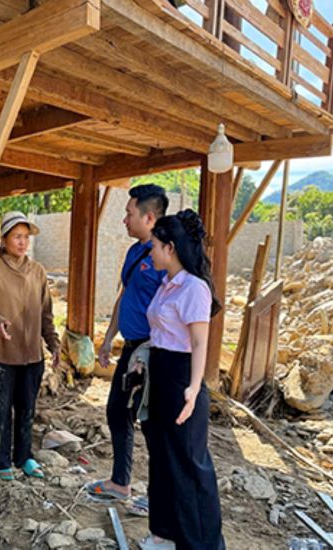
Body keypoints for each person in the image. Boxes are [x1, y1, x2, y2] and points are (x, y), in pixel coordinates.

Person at [138, 210, 224, 550]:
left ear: (170, 248)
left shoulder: (193, 287)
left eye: (156, 246)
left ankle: (201, 544)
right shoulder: (166, 284)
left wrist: (193, 387)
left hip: (181, 378)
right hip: (159, 372)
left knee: (190, 464)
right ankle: (166, 533)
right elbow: (162, 332)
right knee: (161, 456)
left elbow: (200, 341)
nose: (152, 252)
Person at [86, 185, 168, 510]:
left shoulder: (166, 256)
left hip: (152, 353)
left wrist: (151, 354)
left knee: (152, 423)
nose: (124, 220)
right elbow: (126, 295)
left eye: (129, 213)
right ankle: (121, 482)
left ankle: (161, 497)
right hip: (131, 350)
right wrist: (108, 338)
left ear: (149, 218)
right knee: (118, 412)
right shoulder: (135, 252)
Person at [0, 211, 61, 481]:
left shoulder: (38, 271)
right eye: (16, 237)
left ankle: (25, 457)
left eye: (25, 237)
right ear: (4, 239)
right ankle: (1, 462)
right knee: (1, 411)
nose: (22, 242)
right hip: (0, 353)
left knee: (27, 410)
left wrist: (53, 343)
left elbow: (46, 311)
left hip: (32, 354)